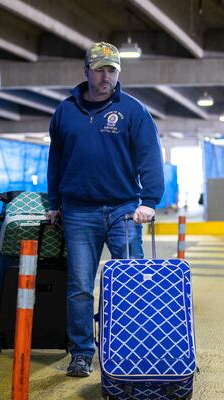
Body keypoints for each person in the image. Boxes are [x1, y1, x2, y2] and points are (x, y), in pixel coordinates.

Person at [46, 42, 165, 377]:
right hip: (78, 212)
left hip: (124, 210)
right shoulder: (65, 112)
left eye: (111, 70)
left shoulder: (134, 111)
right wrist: (54, 203)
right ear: (86, 71)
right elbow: (55, 161)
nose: (105, 76)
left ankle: (132, 347)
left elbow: (150, 158)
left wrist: (150, 202)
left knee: (131, 282)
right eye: (99, 69)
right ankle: (83, 352)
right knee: (80, 287)